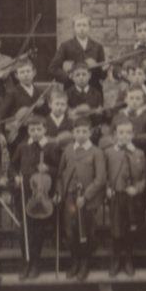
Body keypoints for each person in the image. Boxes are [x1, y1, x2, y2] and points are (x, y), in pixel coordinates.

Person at [2, 115, 58, 280]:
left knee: (38, 230)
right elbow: (12, 166)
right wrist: (16, 177)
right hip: (25, 192)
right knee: (24, 230)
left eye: (38, 129)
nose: (35, 132)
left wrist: (48, 168)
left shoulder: (51, 147)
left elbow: (59, 169)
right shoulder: (22, 147)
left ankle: (35, 263)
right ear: (28, 130)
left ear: (45, 130)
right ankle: (25, 261)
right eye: (32, 129)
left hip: (42, 194)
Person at [57, 118, 105, 281]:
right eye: (77, 132)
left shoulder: (96, 152)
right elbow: (60, 174)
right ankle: (75, 261)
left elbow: (100, 179)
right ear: (73, 133)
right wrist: (60, 191)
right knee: (71, 232)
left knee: (87, 232)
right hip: (70, 198)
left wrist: (86, 196)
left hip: (88, 201)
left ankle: (85, 263)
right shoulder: (68, 150)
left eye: (84, 131)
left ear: (90, 133)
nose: (81, 135)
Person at [105, 118, 146, 276]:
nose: (124, 136)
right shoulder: (109, 152)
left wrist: (137, 189)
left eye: (128, 132)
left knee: (130, 229)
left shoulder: (139, 153)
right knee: (116, 229)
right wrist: (108, 188)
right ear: (115, 134)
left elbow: (143, 177)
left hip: (132, 198)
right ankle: (116, 260)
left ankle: (128, 259)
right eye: (121, 132)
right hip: (116, 197)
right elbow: (105, 175)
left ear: (133, 134)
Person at [49, 13, 106, 92]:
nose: (81, 28)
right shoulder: (65, 46)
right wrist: (69, 76)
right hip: (71, 90)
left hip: (94, 91)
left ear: (89, 27)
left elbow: (102, 75)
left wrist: (101, 68)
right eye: (78, 25)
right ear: (73, 28)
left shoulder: (98, 47)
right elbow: (53, 68)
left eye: (84, 25)